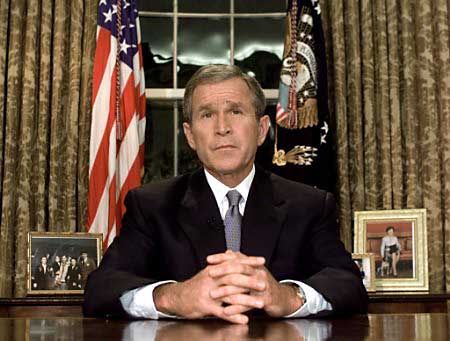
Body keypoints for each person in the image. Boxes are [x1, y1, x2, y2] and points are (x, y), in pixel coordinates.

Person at [83, 64, 367, 323]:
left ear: (261, 130)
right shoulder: (152, 206)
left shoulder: (310, 205)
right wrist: (173, 297)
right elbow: (101, 288)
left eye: (235, 111)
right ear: (191, 135)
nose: (222, 128)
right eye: (207, 115)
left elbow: (348, 284)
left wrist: (289, 297)